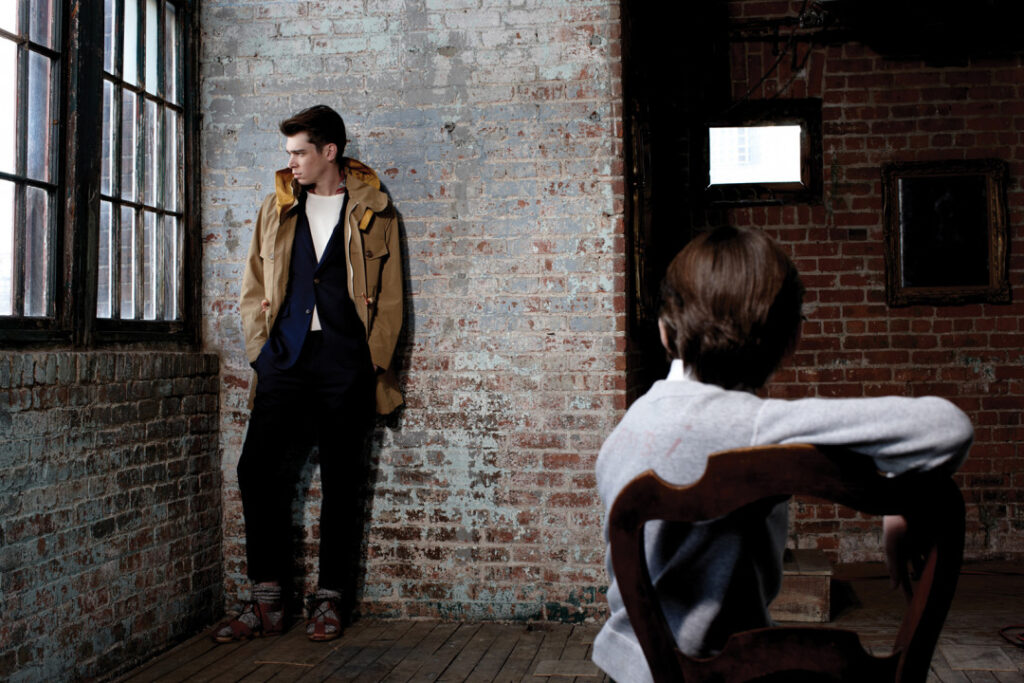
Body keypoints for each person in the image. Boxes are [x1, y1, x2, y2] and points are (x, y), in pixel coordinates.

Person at [592, 225, 973, 683]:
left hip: (629, 666)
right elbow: (948, 428)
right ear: (793, 338)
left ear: (664, 332)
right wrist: (898, 494)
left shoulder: (626, 429)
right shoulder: (756, 426)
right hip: (729, 671)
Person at [216, 105, 404, 643]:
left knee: (342, 482)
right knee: (256, 471)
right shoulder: (276, 207)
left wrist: (371, 362)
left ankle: (331, 599)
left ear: (329, 152)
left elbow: (391, 297)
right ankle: (267, 601)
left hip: (346, 363)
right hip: (285, 360)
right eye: (289, 153)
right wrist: (261, 353)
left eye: (300, 152)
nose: (291, 162)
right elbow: (254, 284)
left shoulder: (375, 212)